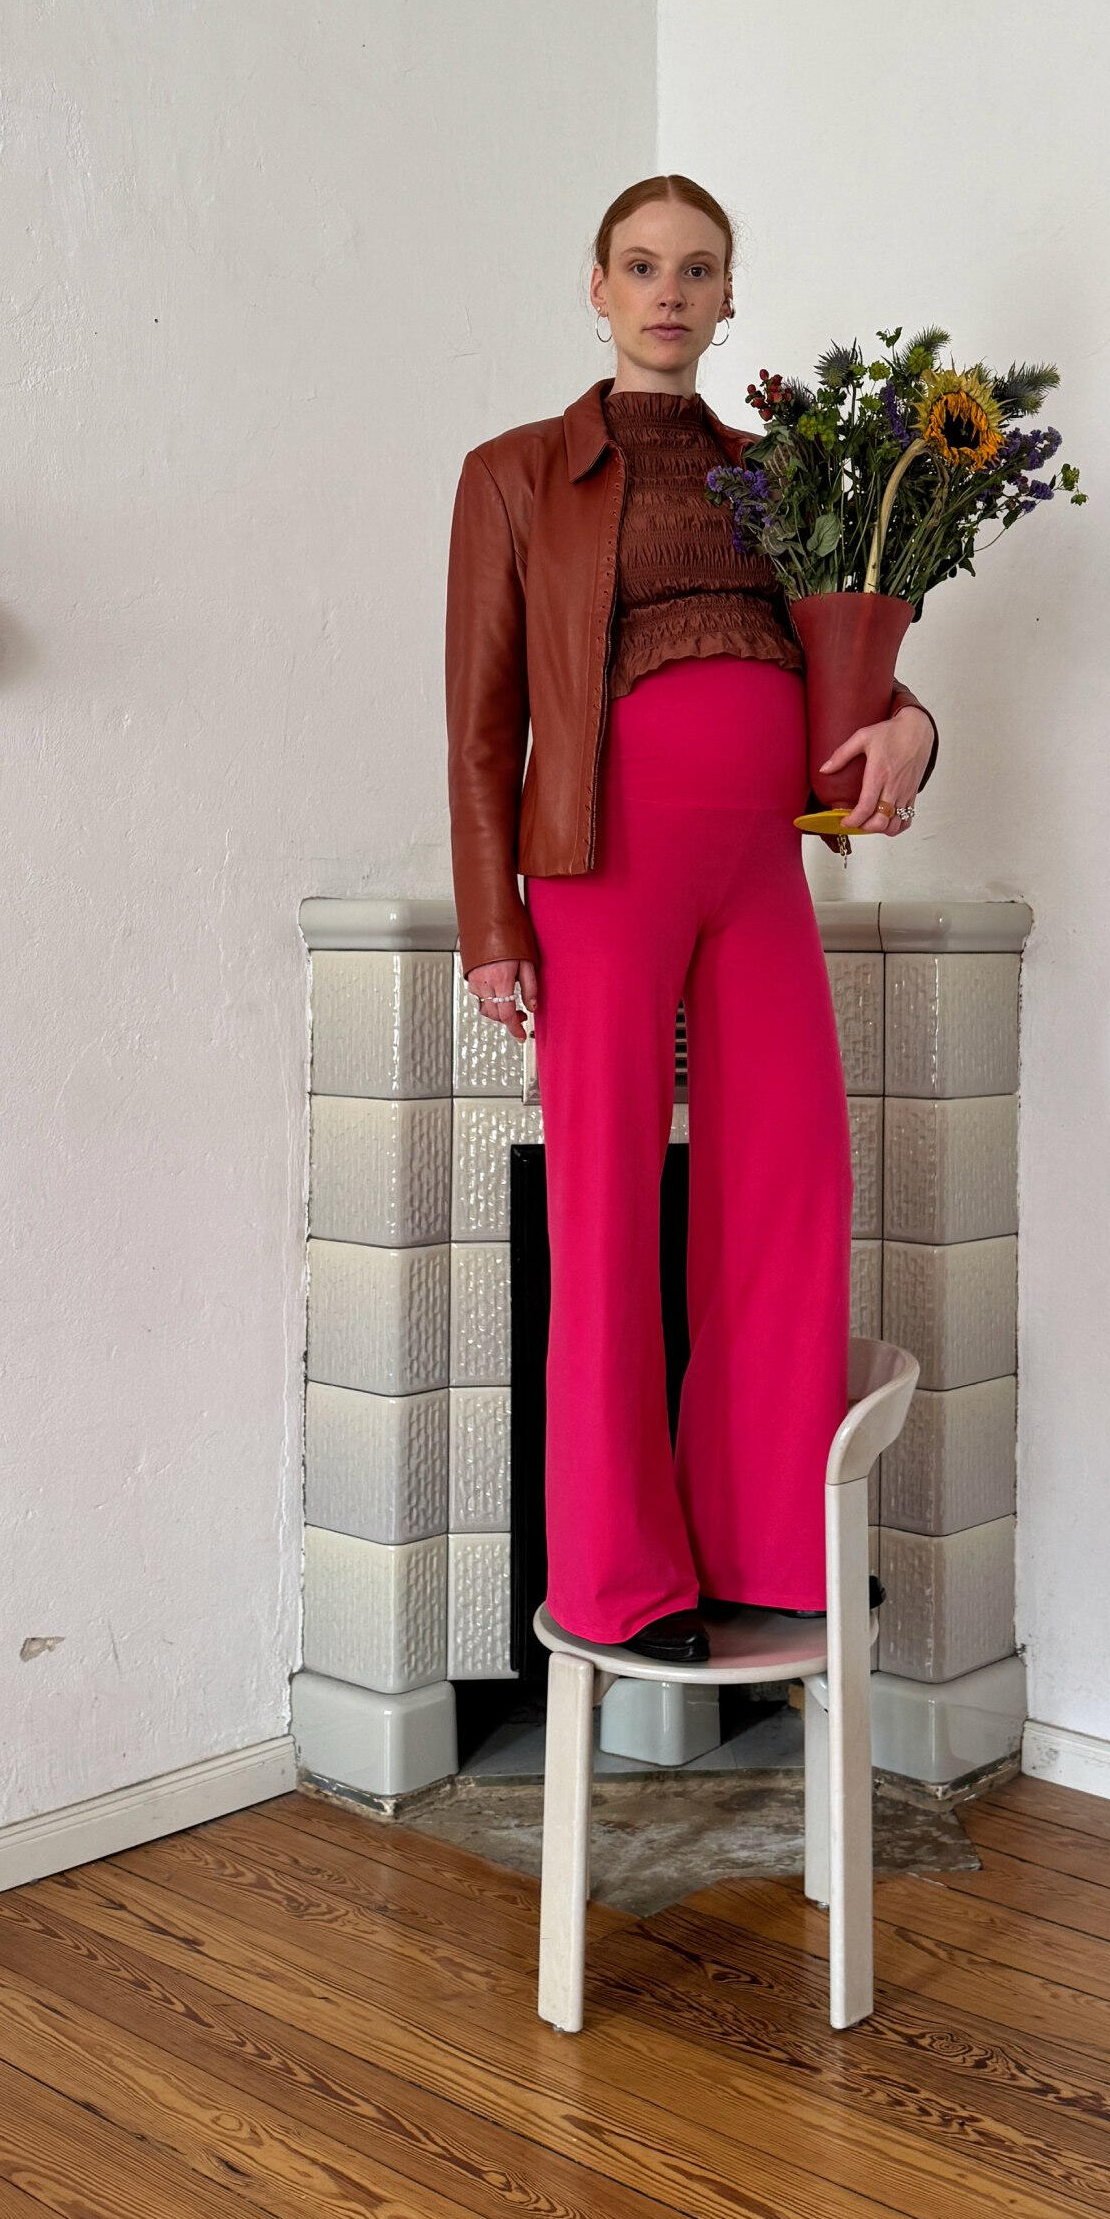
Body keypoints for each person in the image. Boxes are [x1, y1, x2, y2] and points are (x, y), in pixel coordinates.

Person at [443, 174, 938, 1664]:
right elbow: (481, 726)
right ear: (596, 287)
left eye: (700, 269)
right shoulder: (516, 472)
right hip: (600, 864)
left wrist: (916, 728)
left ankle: (774, 1542)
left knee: (790, 1183)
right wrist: (492, 924)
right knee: (600, 1210)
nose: (670, 291)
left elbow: (849, 659)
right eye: (643, 266)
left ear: (730, 299)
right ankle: (618, 1582)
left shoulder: (785, 476)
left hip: (764, 869)